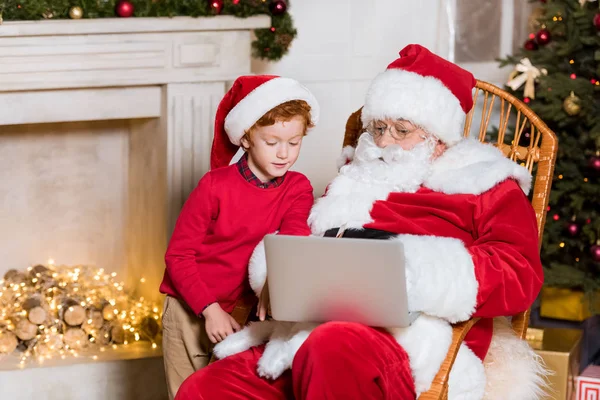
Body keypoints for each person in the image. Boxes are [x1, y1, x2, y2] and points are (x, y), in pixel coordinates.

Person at [175, 45, 547, 400]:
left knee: (330, 348)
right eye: (378, 128)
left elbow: (519, 271)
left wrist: (412, 274)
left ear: (438, 140)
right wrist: (279, 273)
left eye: (402, 130)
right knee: (203, 391)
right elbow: (302, 235)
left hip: (409, 343)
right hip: (307, 332)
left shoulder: (484, 183)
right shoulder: (353, 178)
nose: (384, 142)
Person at [159, 75, 320, 399]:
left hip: (243, 312)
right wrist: (209, 309)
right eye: (272, 142)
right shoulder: (214, 186)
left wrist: (278, 278)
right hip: (190, 305)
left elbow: (293, 236)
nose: (284, 153)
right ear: (246, 138)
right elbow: (178, 255)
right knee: (187, 393)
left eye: (294, 142)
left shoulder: (298, 187)